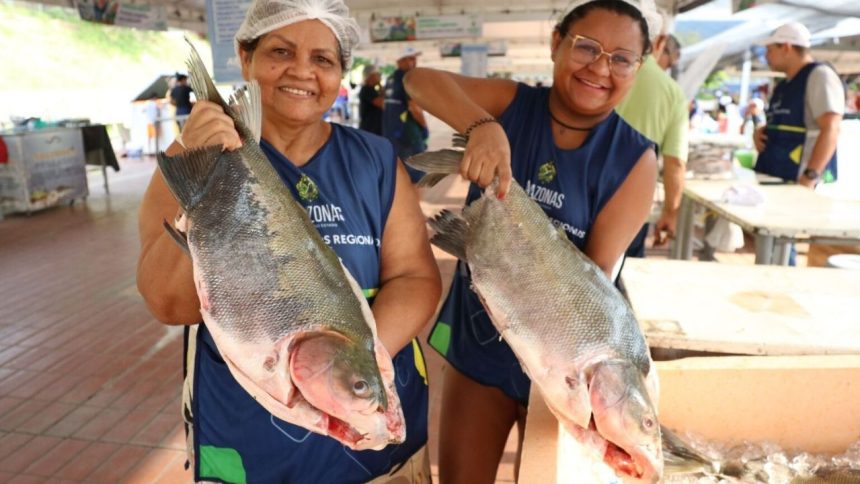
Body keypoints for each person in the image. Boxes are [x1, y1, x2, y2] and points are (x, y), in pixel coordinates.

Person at [135, 0, 441, 482]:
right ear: (245, 57)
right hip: (247, 441)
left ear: (342, 72)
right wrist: (203, 170)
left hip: (371, 436)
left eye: (323, 59)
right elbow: (167, 303)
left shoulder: (376, 159)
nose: (302, 70)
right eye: (280, 50)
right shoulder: (188, 158)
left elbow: (416, 276)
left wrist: (345, 369)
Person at [404, 0, 659, 481]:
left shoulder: (634, 159)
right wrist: (484, 128)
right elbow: (419, 81)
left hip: (565, 357)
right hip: (482, 340)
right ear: (556, 43)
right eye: (587, 47)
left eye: (621, 58)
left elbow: (593, 279)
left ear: (638, 67)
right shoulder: (512, 104)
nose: (600, 68)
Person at [616, 13, 688, 256]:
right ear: (660, 41)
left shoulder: (603, 70)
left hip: (579, 196)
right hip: (632, 205)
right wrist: (670, 211)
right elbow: (675, 162)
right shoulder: (672, 93)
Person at [754, 21, 843, 187]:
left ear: (787, 47)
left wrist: (810, 176)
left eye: (770, 50)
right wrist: (761, 132)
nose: (766, 56)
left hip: (800, 182)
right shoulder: (783, 85)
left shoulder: (819, 76)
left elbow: (831, 128)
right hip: (774, 177)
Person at [383, 46, 429, 183]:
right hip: (409, 135)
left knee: (398, 177)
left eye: (415, 58)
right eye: (410, 58)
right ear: (399, 61)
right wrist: (424, 127)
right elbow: (414, 108)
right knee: (417, 180)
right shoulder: (408, 78)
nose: (414, 62)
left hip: (392, 135)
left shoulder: (390, 79)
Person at [359, 64, 384, 135]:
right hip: (369, 129)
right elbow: (382, 104)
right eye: (377, 74)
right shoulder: (367, 89)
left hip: (374, 129)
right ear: (371, 76)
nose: (379, 76)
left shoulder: (372, 89)